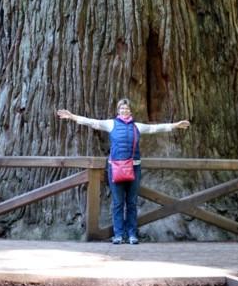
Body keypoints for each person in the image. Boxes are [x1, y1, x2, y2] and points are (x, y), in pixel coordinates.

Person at [57, 98, 190, 244]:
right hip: (115, 168)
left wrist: (175, 125)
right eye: (122, 109)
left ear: (130, 111)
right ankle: (118, 234)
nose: (124, 111)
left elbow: (156, 128)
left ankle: (132, 234)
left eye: (126, 109)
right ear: (118, 111)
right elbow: (92, 122)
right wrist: (72, 116)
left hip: (134, 168)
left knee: (132, 202)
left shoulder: (137, 127)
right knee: (118, 203)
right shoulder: (111, 124)